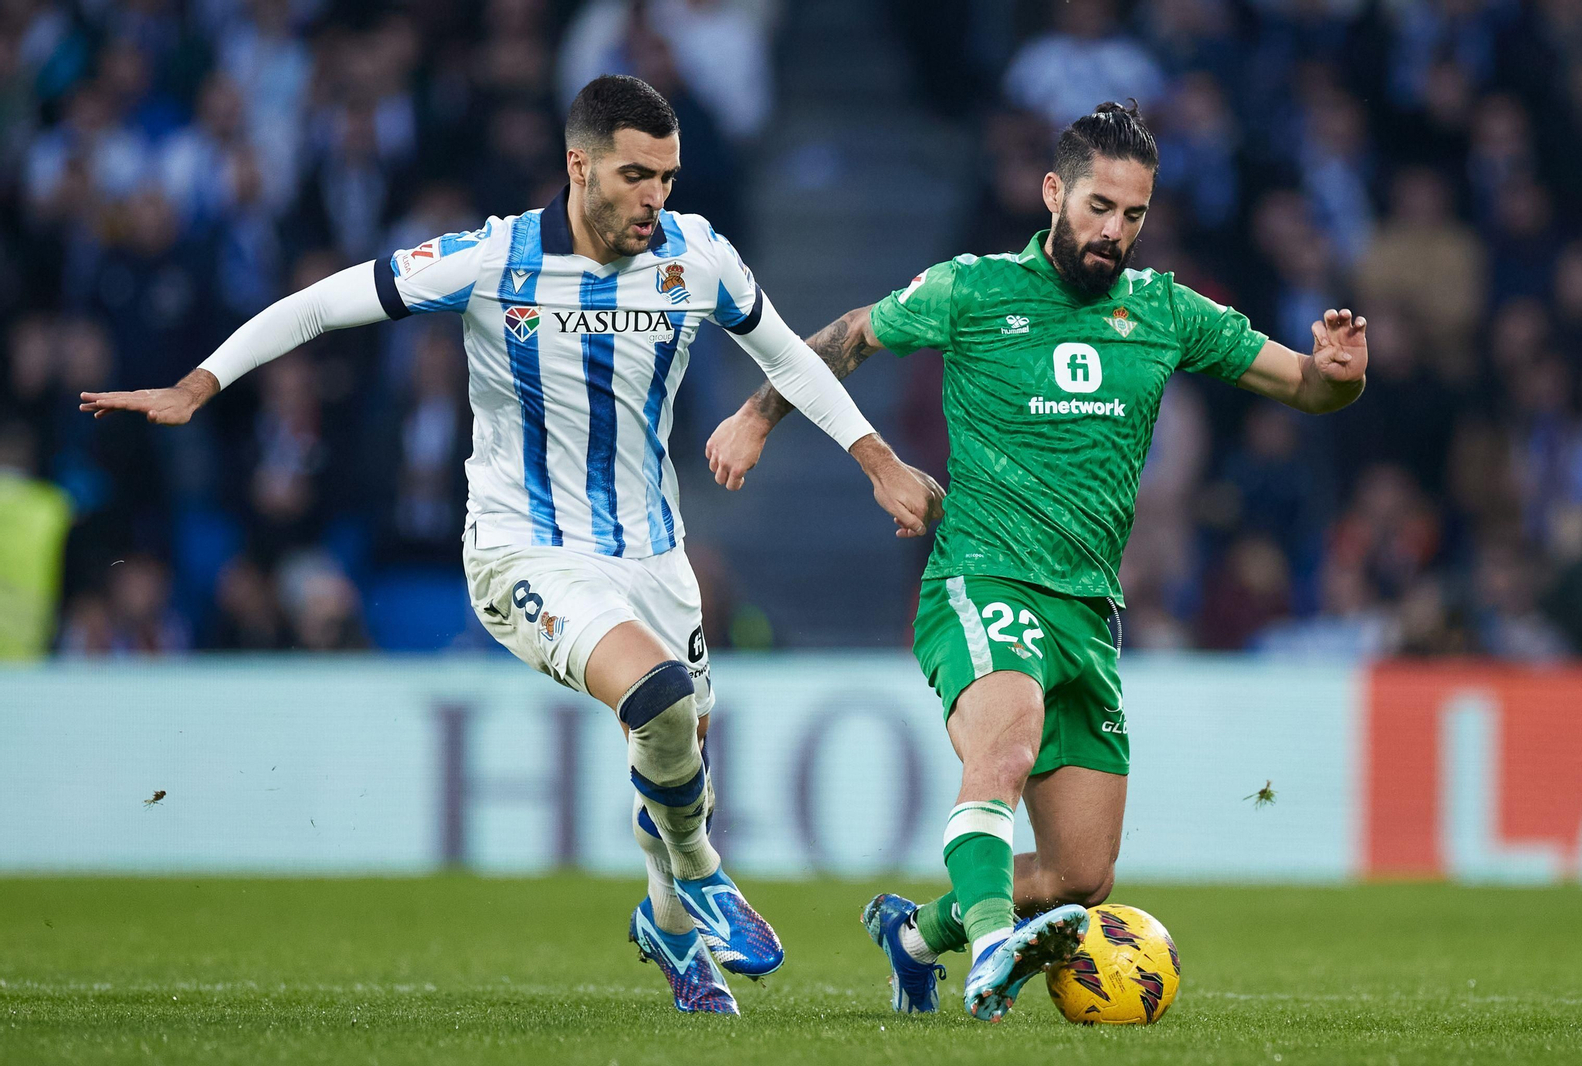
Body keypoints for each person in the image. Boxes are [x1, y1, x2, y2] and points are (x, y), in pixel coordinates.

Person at [80, 74, 942, 1015]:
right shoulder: (492, 258)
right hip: (522, 551)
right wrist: (202, 384)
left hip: (655, 556)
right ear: (579, 166)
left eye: (669, 175)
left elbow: (786, 354)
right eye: (636, 174)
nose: (657, 196)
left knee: (677, 748)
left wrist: (875, 459)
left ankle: (669, 927)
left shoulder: (699, 258)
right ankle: (705, 877)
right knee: (654, 698)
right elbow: (324, 303)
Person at [706, 101, 1368, 1022]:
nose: (1114, 233)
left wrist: (1339, 377)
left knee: (1078, 878)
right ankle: (986, 956)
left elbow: (1302, 385)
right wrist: (754, 416)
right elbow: (850, 334)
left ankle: (917, 934)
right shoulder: (973, 290)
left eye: (1134, 216)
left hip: (1088, 612)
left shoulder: (1166, 310)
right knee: (1005, 748)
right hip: (981, 578)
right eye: (1100, 207)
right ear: (1054, 191)